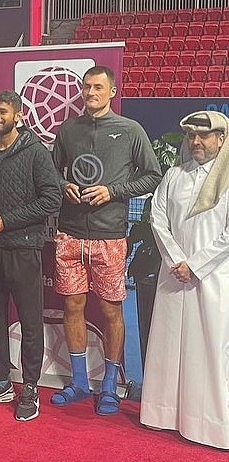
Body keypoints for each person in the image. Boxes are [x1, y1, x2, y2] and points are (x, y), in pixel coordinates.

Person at [51, 65, 161, 415]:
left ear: (113, 91)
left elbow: (153, 176)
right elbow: (52, 171)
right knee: (72, 307)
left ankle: (111, 386)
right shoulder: (68, 129)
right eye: (86, 87)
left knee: (112, 310)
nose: (91, 92)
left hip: (110, 237)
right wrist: (62, 185)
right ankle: (80, 382)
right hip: (69, 235)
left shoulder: (130, 130)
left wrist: (112, 191)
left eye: (98, 87)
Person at [0, 90, 62, 421]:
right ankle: (2, 382)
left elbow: (51, 201)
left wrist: (5, 222)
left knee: (30, 322)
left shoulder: (36, 152)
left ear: (18, 116)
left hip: (23, 248)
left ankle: (31, 388)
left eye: (3, 112)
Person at [141, 110, 229, 449]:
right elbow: (158, 217)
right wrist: (178, 260)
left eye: (204, 136)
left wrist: (195, 265)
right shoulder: (174, 174)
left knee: (209, 349)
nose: (196, 141)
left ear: (221, 139)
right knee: (168, 345)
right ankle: (163, 414)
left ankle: (209, 426)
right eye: (192, 135)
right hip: (173, 275)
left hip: (214, 278)